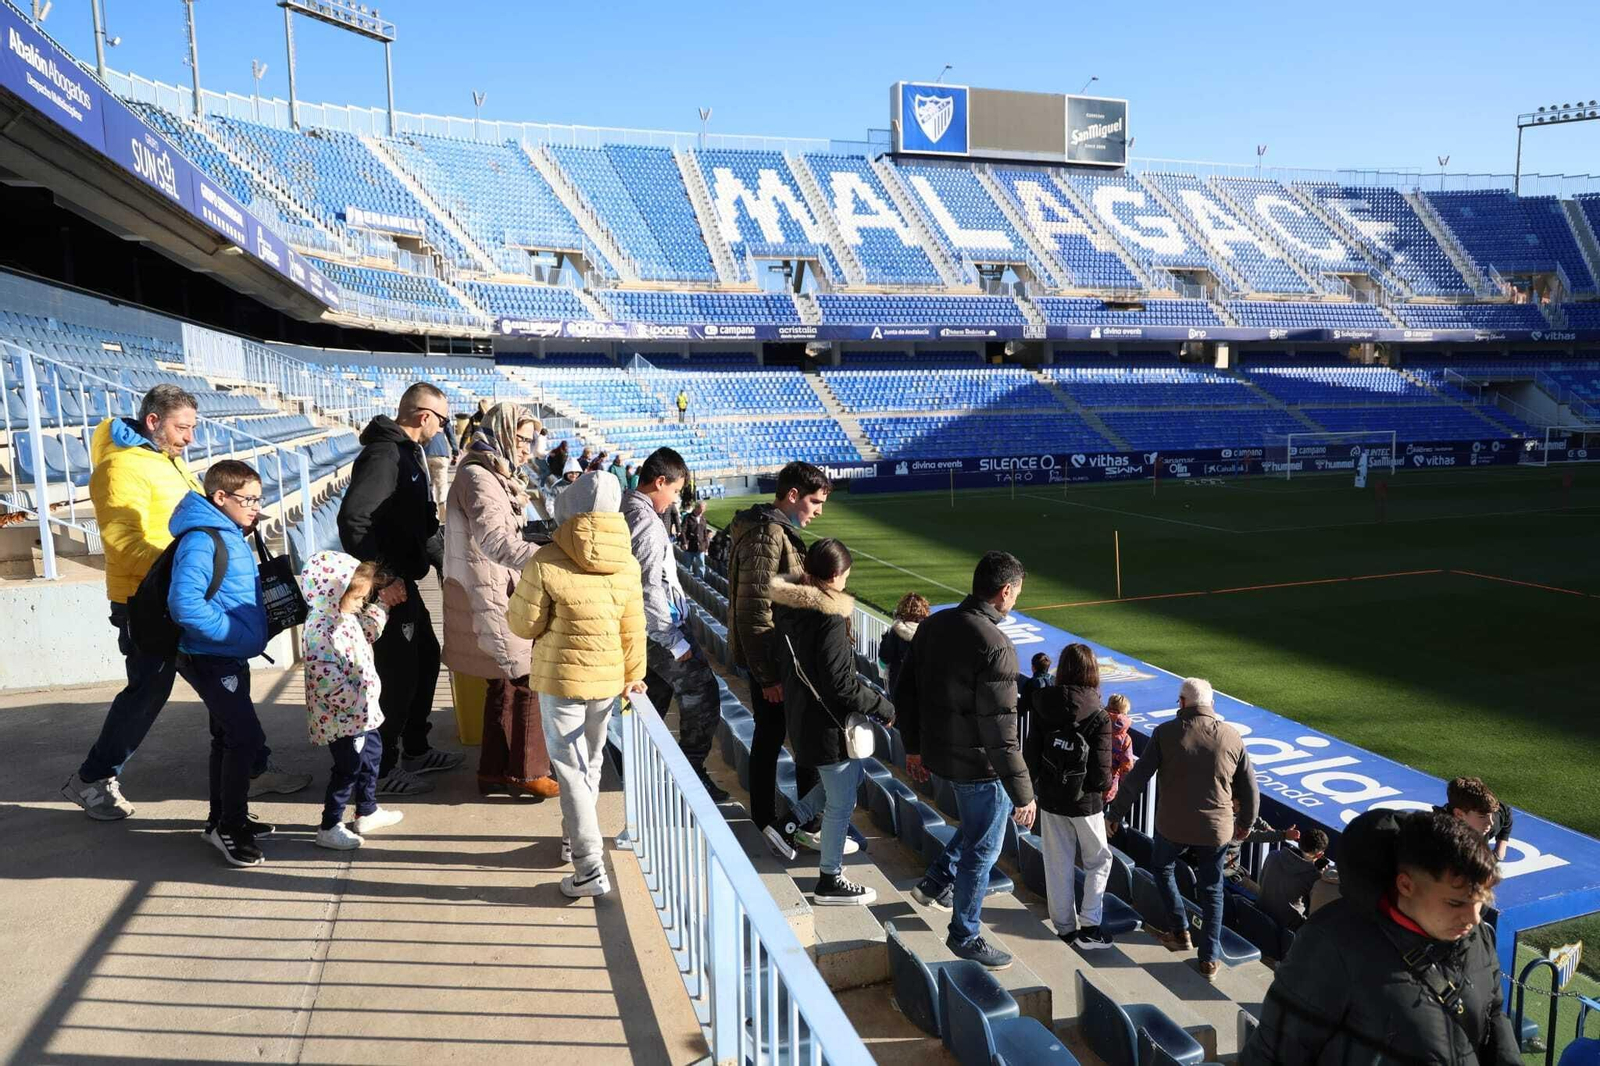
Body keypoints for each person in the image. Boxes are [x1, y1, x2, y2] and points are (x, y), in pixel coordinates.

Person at [61, 386, 306, 821]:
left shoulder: (170, 462)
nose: (190, 437)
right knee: (147, 694)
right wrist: (192, 564)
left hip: (189, 592)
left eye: (192, 427)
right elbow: (122, 542)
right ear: (153, 422)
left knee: (224, 679)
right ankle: (92, 778)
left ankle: (253, 766)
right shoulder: (119, 468)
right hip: (148, 602)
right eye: (182, 427)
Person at [1242, 810, 1520, 1066]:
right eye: (1455, 903)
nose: (1472, 919)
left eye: (1481, 902)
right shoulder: (1331, 945)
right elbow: (1273, 1055)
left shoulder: (1477, 935)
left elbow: (1492, 1014)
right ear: (1406, 885)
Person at [507, 472, 647, 898]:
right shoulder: (628, 562)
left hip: (560, 679)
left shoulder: (546, 559)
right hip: (607, 680)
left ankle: (588, 866)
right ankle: (573, 837)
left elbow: (523, 624)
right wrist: (634, 676)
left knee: (570, 770)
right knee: (590, 764)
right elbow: (633, 630)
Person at [898, 551, 1037, 971]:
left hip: (943, 756)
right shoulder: (996, 646)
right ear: (1005, 591)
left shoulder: (935, 623)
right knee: (984, 848)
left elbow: (904, 691)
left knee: (978, 830)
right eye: (1016, 594)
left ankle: (935, 883)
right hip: (980, 768)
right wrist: (1024, 794)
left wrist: (913, 747)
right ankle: (965, 933)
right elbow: (1001, 733)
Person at [338, 382, 462, 797]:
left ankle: (415, 747)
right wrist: (381, 579)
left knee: (426, 659)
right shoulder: (384, 455)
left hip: (404, 581)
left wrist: (446, 565)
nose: (444, 429)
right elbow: (354, 520)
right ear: (424, 416)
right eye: (443, 421)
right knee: (398, 675)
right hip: (387, 586)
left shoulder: (410, 454)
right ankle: (383, 765)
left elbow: (420, 521)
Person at [1107, 677, 1258, 982]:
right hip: (1216, 831)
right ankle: (1209, 958)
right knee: (1212, 891)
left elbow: (1137, 778)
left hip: (1172, 826)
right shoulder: (1232, 736)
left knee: (1162, 868)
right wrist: (1246, 825)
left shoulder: (1165, 732)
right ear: (1211, 705)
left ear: (1183, 703)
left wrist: (1115, 814)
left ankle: (1180, 930)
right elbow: (1250, 789)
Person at [442, 403, 557, 799]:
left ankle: (493, 770)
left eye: (531, 440)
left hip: (494, 588)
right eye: (523, 439)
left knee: (503, 683)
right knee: (527, 678)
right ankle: (527, 772)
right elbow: (495, 542)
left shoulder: (490, 472)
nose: (528, 449)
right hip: (488, 593)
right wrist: (549, 558)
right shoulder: (479, 476)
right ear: (505, 431)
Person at [770, 539, 893, 907]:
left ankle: (789, 825)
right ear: (837, 575)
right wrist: (882, 706)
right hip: (825, 724)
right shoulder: (828, 618)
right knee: (842, 803)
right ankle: (830, 879)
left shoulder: (790, 608)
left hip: (804, 715)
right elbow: (840, 684)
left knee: (847, 779)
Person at [168, 461, 272, 867]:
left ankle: (222, 819)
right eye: (247, 499)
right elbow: (185, 605)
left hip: (225, 654)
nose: (255, 507)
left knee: (227, 738)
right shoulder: (202, 539)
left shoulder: (229, 531)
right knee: (245, 738)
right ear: (220, 498)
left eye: (258, 499)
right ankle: (230, 826)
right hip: (212, 656)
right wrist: (233, 634)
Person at [726, 462, 832, 854]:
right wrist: (768, 676)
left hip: (781, 658)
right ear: (792, 496)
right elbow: (753, 612)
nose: (819, 510)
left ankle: (793, 821)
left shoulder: (772, 532)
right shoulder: (767, 535)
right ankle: (777, 822)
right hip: (775, 662)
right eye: (815, 501)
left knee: (779, 739)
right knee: (785, 739)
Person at [622, 448, 727, 802]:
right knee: (703, 695)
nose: (676, 499)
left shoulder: (630, 509)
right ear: (660, 481)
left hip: (647, 630)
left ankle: (644, 773)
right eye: (676, 490)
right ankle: (690, 778)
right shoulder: (646, 521)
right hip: (660, 632)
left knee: (654, 697)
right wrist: (673, 640)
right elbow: (648, 584)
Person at [299, 552, 405, 851]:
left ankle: (367, 810)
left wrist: (381, 605)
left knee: (371, 759)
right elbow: (325, 678)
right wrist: (354, 701)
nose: (362, 603)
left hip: (362, 715)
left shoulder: (343, 617)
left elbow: (368, 631)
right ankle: (330, 824)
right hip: (345, 718)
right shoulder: (321, 629)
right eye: (359, 598)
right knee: (348, 769)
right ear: (335, 592)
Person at [1025, 643, 1115, 949]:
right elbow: (1102, 776)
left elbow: (1031, 754)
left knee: (1057, 862)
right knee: (1099, 861)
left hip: (1050, 797)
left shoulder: (1042, 703)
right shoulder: (1099, 716)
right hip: (1085, 802)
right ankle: (1090, 926)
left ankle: (1065, 928)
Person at [1217, 799, 1301, 893]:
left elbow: (1251, 816)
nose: (1243, 808)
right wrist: (1283, 835)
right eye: (1240, 804)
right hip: (1224, 873)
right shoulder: (1225, 820)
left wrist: (1270, 830)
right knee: (1260, 894)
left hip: (1230, 868)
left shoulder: (1230, 807)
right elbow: (1252, 835)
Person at [1257, 828, 1333, 931]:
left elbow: (1261, 882)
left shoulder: (1273, 855)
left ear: (1299, 842)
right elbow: (1316, 910)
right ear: (1319, 855)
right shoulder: (1314, 878)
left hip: (1259, 917)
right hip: (1286, 931)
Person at [1437, 776, 1514, 862]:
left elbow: (1506, 812)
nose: (1490, 822)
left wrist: (1499, 852)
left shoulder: (1489, 824)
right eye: (1482, 816)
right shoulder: (1437, 837)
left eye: (1491, 815)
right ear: (1459, 814)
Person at [876, 592, 928, 697]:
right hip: (922, 685)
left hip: (899, 684)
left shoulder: (896, 631)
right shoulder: (928, 632)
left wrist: (884, 638)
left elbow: (885, 657)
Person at [422, 405, 459, 520]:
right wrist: (455, 451)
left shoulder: (424, 417)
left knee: (430, 485)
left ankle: (432, 514)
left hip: (426, 453)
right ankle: (443, 516)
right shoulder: (443, 417)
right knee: (442, 485)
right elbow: (450, 434)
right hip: (441, 453)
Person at [1104, 694, 1134, 804]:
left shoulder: (1095, 723)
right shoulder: (1125, 739)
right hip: (1108, 788)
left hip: (1087, 783)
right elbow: (1127, 768)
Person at [1018, 652, 1053, 723]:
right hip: (1050, 724)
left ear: (1033, 667)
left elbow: (1022, 707)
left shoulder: (1030, 684)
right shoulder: (1052, 684)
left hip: (1036, 724)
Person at [682, 501, 711, 578]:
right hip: (689, 547)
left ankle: (700, 581)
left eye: (703, 509)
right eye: (701, 509)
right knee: (687, 565)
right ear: (696, 508)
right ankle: (687, 580)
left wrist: (706, 546)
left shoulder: (703, 519)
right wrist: (684, 542)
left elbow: (705, 533)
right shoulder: (688, 518)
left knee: (701, 566)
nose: (702, 511)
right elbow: (683, 531)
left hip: (700, 547)